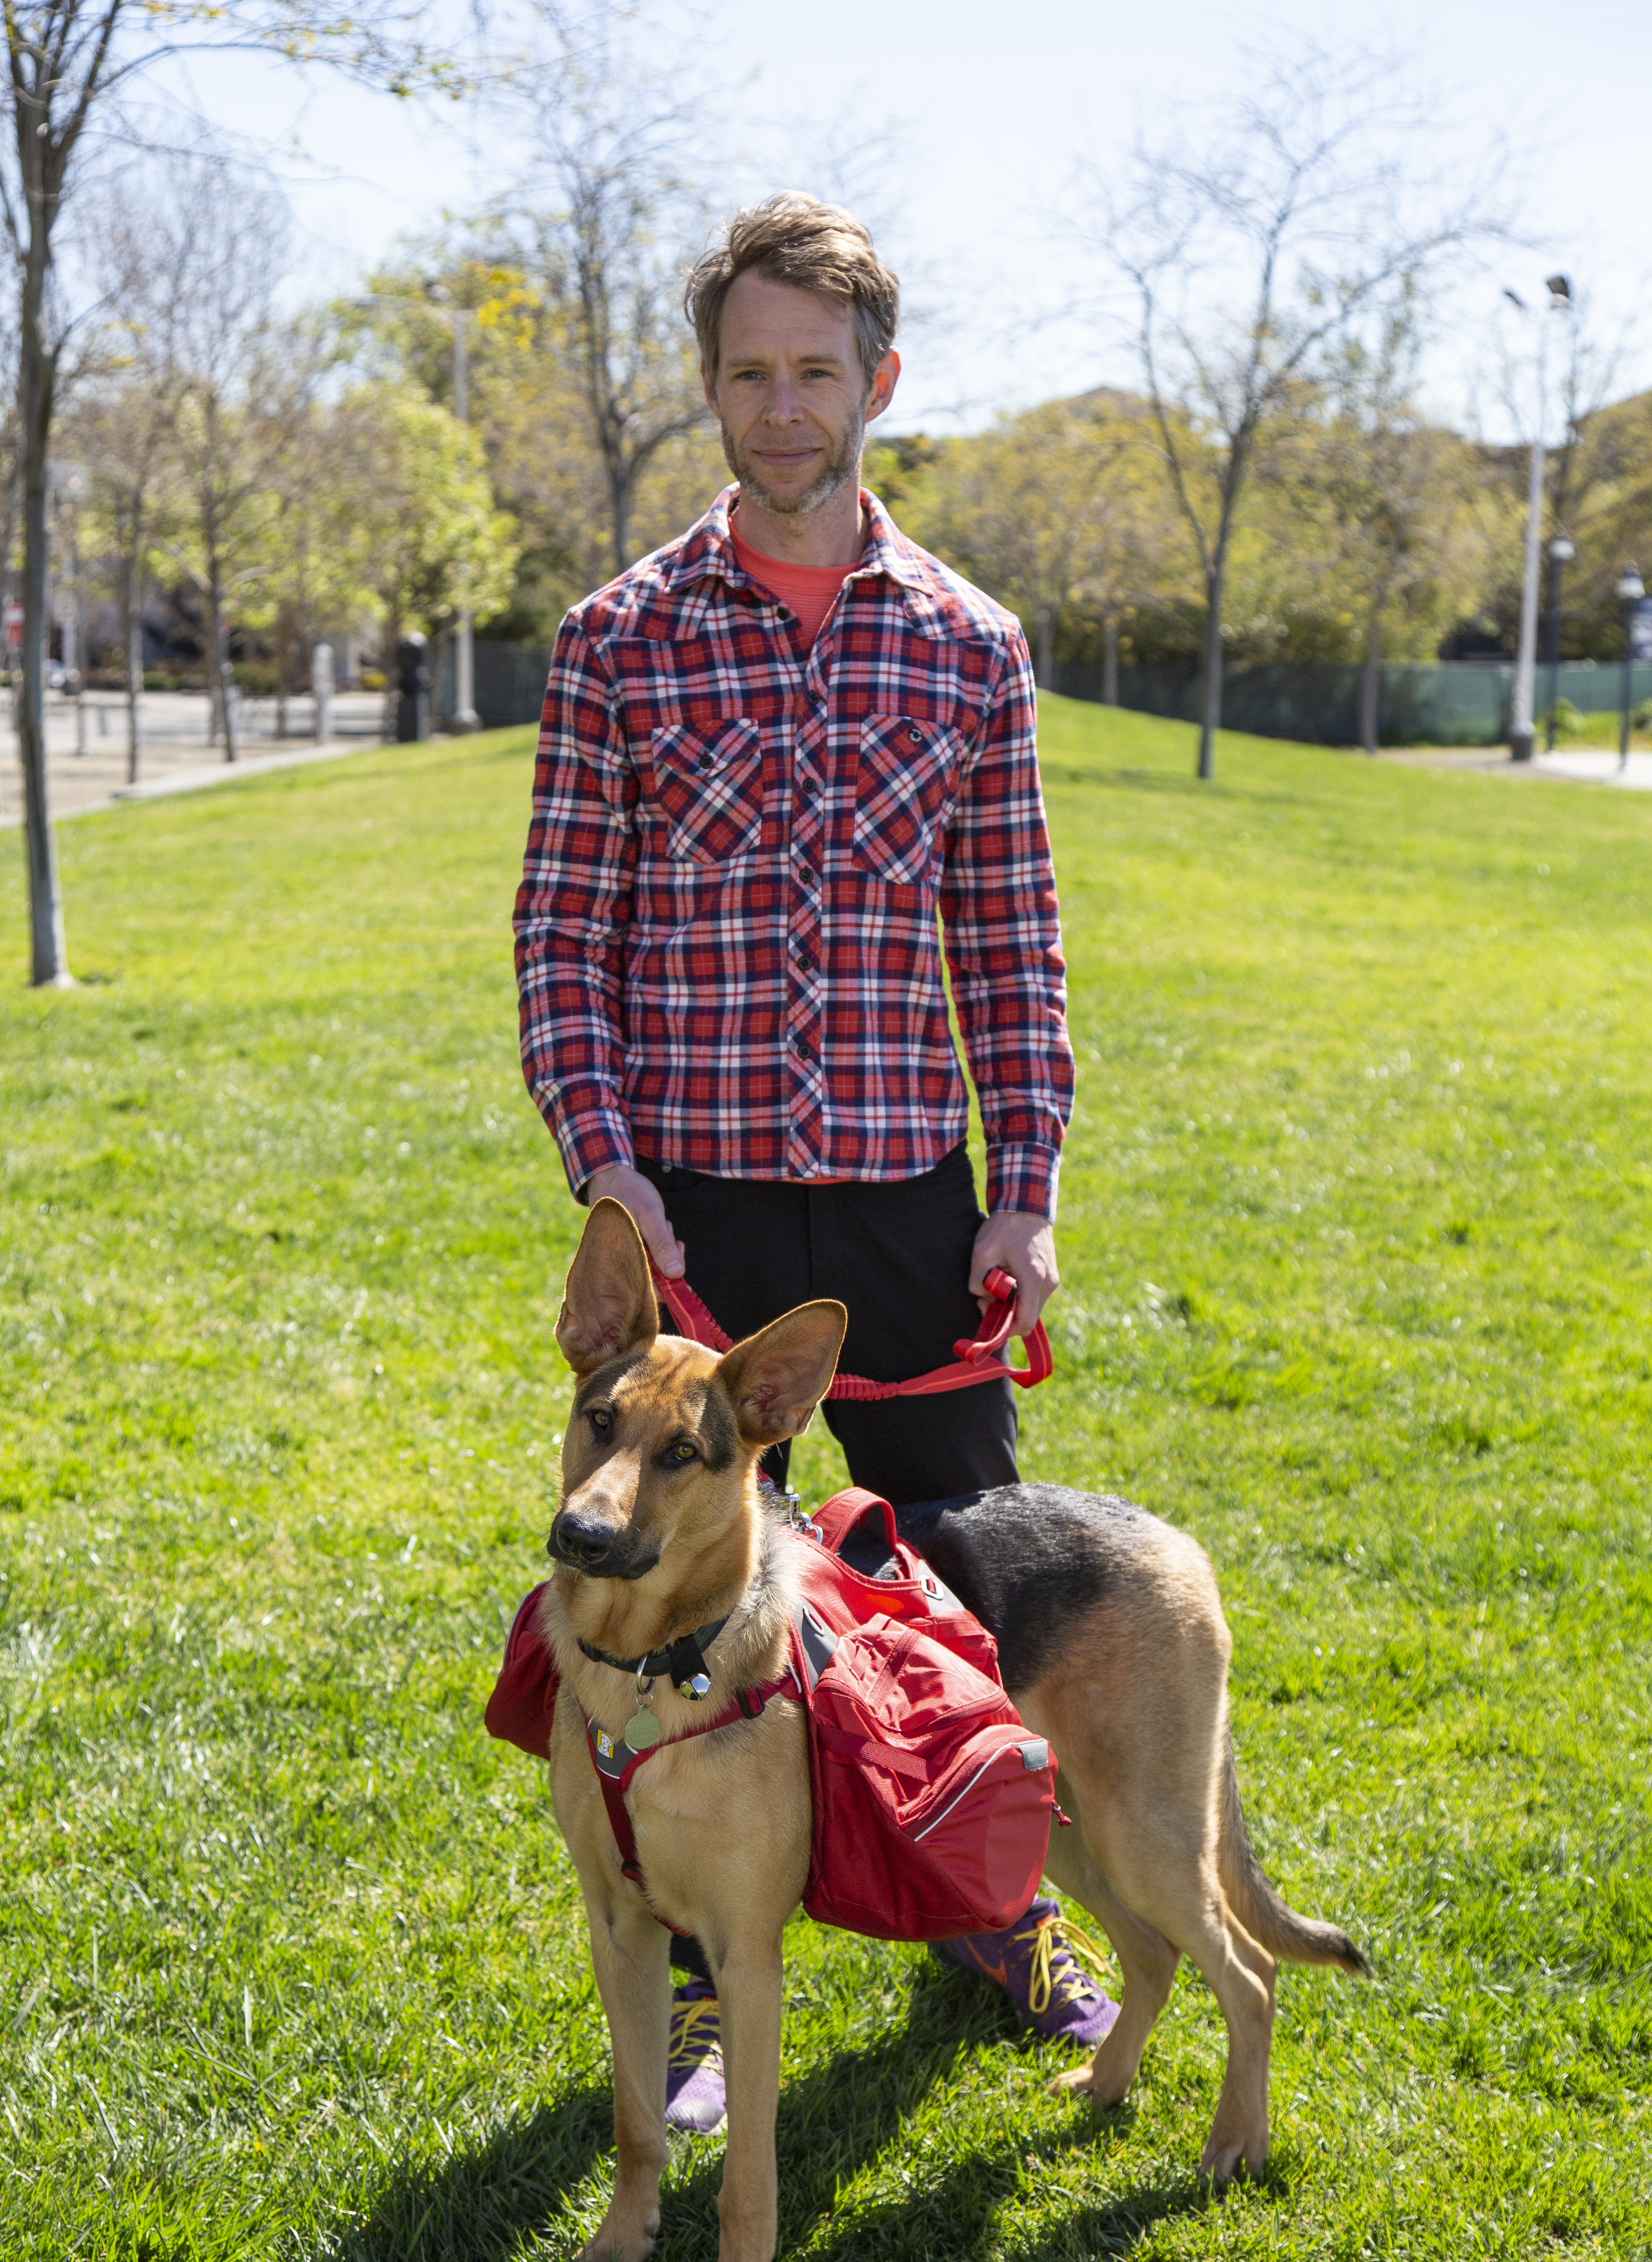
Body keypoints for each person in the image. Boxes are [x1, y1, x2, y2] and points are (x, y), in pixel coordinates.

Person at [514, 192, 1116, 2132]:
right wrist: (613, 1173)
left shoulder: (972, 648)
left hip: (898, 1199)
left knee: (956, 1583)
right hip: (691, 1203)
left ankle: (990, 1904)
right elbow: (561, 938)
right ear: (711, 385)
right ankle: (695, 1980)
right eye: (749, 373)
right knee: (686, 1605)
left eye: (817, 372)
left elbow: (1010, 944)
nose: (784, 409)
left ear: (881, 382)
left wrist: (1019, 1186)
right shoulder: (616, 639)